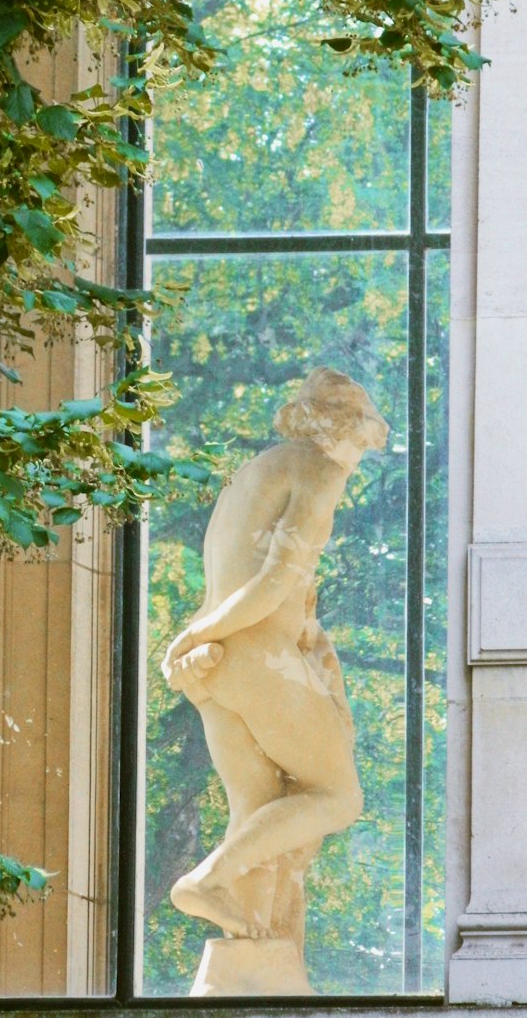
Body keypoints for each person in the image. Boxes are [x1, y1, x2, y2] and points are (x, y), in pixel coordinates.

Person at [162, 368, 389, 953]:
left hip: (218, 669)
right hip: (256, 658)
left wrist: (197, 639)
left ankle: (249, 946)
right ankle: (204, 881)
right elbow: (271, 584)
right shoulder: (320, 468)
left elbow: (233, 575)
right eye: (363, 442)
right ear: (341, 430)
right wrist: (194, 637)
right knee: (340, 797)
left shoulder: (253, 472)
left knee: (259, 815)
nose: (360, 458)